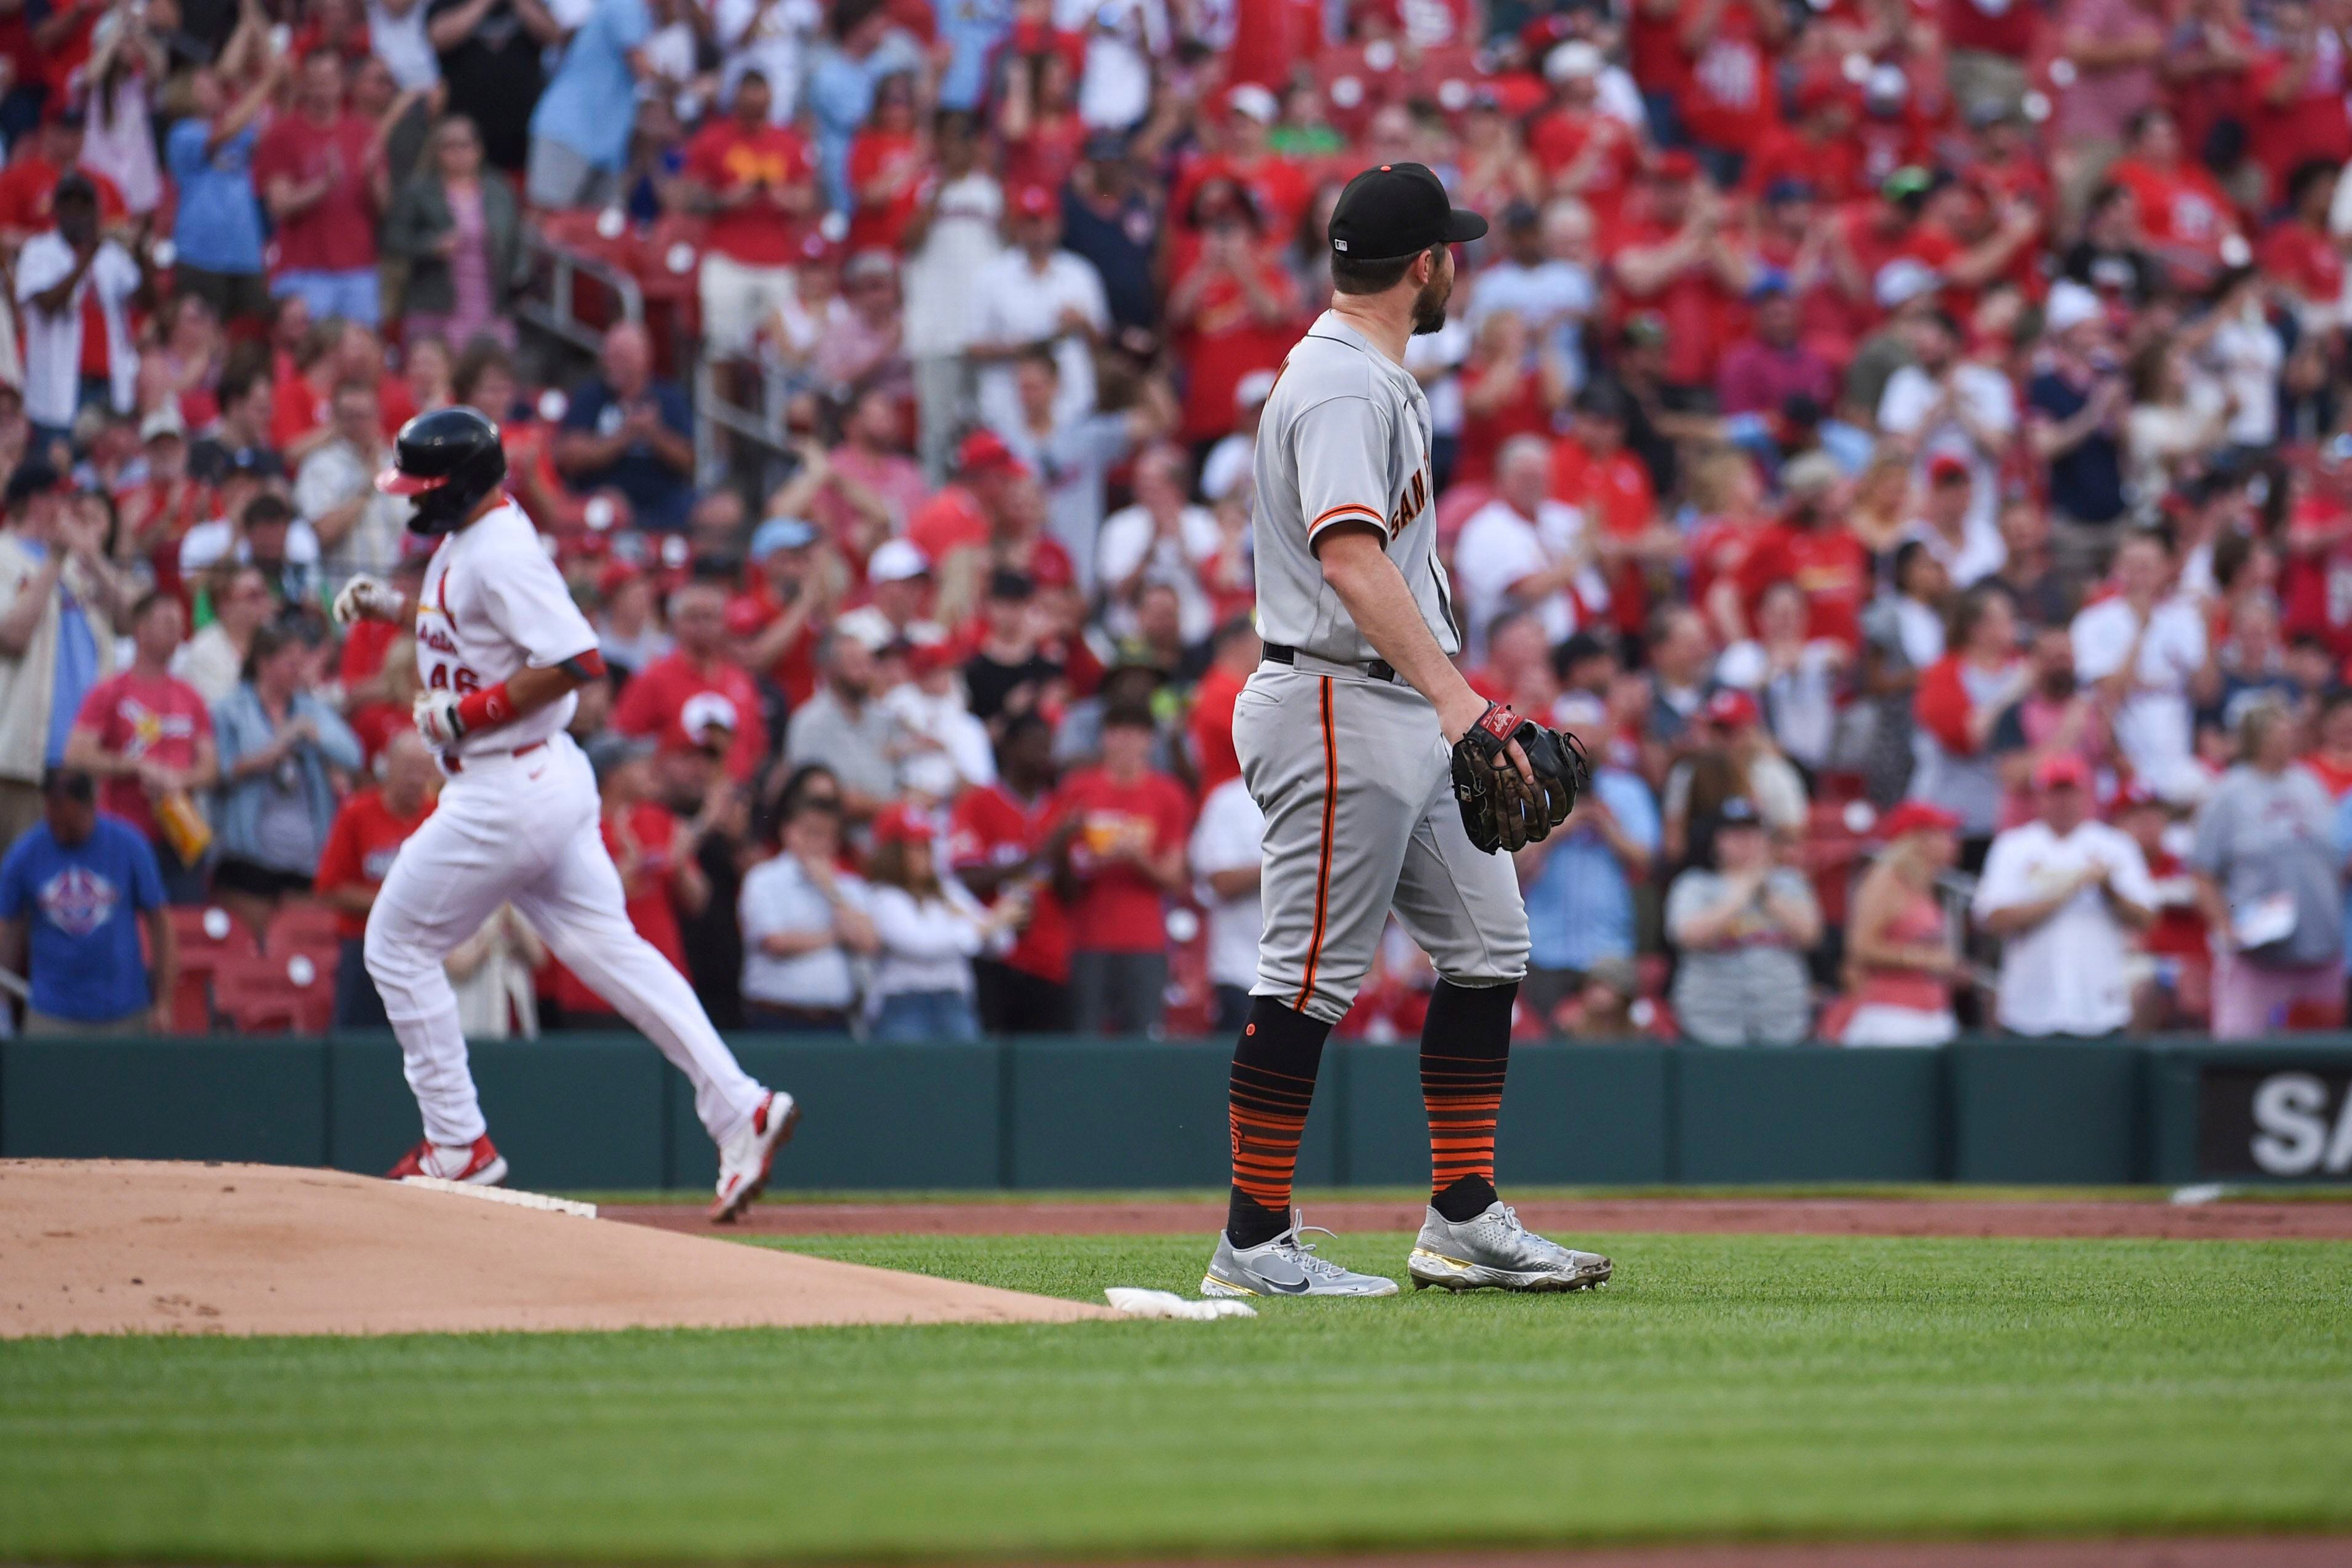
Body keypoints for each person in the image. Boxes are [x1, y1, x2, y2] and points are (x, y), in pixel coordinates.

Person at [1203, 164, 1610, 1300]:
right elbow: (1348, 554)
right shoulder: (1339, 383)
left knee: (1488, 945)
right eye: (1452, 250)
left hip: (1395, 698)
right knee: (1307, 978)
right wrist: (1459, 701)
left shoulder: (1373, 372)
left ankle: (1462, 1215)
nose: (1456, 266)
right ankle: (1253, 1242)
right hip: (1339, 698)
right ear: (1425, 263)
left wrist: (1444, 695)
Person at [334, 407, 800, 1222]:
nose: (410, 500)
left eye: (420, 485)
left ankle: (457, 1143)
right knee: (612, 952)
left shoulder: (501, 548)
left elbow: (576, 660)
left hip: (503, 785)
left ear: (457, 483)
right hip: (540, 780)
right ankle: (742, 1107)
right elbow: (474, 628)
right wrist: (392, 611)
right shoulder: (474, 540)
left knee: (396, 944)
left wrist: (469, 715)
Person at [1973, 754, 2158, 1038]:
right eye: (2055, 793)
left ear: (2086, 794)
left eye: (2070, 792)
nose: (2063, 802)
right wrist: (2070, 888)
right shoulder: (2014, 846)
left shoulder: (2114, 845)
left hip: (2100, 1005)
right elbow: (1993, 918)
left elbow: (2146, 917)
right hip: (2029, 1008)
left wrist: (2107, 888)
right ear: (2040, 797)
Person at [2192, 700, 2345, 1039]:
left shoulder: (2309, 781)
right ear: (2256, 738)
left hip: (2319, 948)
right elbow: (2203, 872)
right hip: (2258, 954)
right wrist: (2225, 926)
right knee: (2239, 1050)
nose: (2288, 739)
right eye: (2279, 732)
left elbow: (2331, 855)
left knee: (2325, 1056)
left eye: (2290, 731)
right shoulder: (2229, 792)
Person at [0, 462, 129, 852]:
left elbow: (130, 620)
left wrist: (94, 558)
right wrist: (54, 559)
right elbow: (13, 636)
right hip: (23, 761)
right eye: (64, 498)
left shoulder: (79, 564)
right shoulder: (4, 554)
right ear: (37, 502)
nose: (73, 508)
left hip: (86, 760)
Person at [209, 623, 365, 937]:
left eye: (302, 662)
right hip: (248, 857)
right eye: (291, 662)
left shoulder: (311, 709)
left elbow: (353, 756)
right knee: (253, 953)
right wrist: (273, 751)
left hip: (306, 857)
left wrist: (313, 735)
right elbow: (220, 772)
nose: (300, 670)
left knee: (296, 948)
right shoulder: (229, 710)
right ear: (264, 663)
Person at [62, 592, 217, 903]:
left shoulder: (191, 696)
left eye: (180, 624)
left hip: (178, 835)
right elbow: (76, 755)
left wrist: (180, 780)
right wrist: (136, 766)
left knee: (183, 921)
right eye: (167, 622)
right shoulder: (109, 691)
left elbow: (210, 766)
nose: (177, 631)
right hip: (121, 832)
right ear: (140, 629)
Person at [0, 767, 174, 1036]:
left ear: (90, 805)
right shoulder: (26, 853)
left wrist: (163, 1002)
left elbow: (161, 924)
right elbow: (9, 927)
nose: (60, 829)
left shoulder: (129, 846)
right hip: (52, 1013)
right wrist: (3, 1001)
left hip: (123, 1011)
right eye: (53, 819)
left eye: (69, 822)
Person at [1054, 702, 1188, 1034]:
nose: (1127, 743)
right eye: (1118, 733)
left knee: (1143, 1035)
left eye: (1136, 734)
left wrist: (1136, 858)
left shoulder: (1167, 794)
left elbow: (1174, 876)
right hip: (1087, 936)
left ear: (1149, 741)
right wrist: (1093, 860)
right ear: (1104, 738)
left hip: (1145, 939)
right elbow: (1061, 866)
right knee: (1084, 1033)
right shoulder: (1079, 789)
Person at [948, 712, 1076, 1033]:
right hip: (994, 958)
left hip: (1049, 960)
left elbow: (1072, 895)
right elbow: (965, 880)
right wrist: (1044, 852)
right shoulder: (978, 804)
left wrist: (1061, 857)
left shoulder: (1059, 808)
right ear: (1009, 748)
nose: (1044, 755)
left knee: (1046, 1070)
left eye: (1048, 747)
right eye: (1034, 746)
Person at [1664, 798, 1823, 1046]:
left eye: (1753, 834)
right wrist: (1741, 893)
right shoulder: (1695, 884)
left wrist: (1767, 894)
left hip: (1782, 1019)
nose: (1746, 842)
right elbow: (1687, 936)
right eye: (1735, 835)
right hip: (1712, 1021)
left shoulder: (1788, 883)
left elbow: (1811, 936)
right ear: (1717, 842)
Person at [862, 803, 1023, 1041]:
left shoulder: (948, 891)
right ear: (893, 853)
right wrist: (987, 924)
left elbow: (1001, 944)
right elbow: (922, 945)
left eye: (927, 846)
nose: (926, 854)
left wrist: (984, 923)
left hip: (954, 1001)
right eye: (915, 847)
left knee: (964, 1075)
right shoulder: (884, 896)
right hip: (906, 1003)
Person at [2071, 526, 2208, 802]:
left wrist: (2210, 626)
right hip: (2121, 768)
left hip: (2177, 763)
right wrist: (2141, 630)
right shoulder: (2093, 622)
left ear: (2166, 569)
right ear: (2118, 569)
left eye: (2148, 566)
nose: (2141, 575)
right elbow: (2108, 695)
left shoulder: (2185, 620)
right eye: (2133, 566)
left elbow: (2206, 693)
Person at [314, 730, 441, 1029]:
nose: (415, 778)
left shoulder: (439, 816)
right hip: (364, 947)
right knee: (358, 1043)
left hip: (422, 950)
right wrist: (394, 902)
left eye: (424, 769)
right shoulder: (357, 813)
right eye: (408, 767)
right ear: (387, 766)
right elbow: (329, 889)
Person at [253, 50, 385, 326]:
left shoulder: (363, 132)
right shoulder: (283, 134)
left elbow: (384, 205)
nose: (322, 88)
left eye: (328, 80)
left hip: (358, 268)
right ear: (304, 84)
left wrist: (373, 178)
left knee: (362, 349)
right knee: (307, 351)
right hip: (303, 270)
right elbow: (279, 204)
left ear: (342, 83)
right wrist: (324, 185)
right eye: (315, 81)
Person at [17, 174, 147, 443]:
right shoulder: (39, 251)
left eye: (84, 206)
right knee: (60, 472)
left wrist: (141, 248)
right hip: (58, 386)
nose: (77, 214)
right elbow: (48, 304)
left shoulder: (111, 255)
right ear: (58, 210)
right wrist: (88, 255)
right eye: (70, 206)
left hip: (108, 381)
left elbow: (146, 300)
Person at [382, 114, 524, 351]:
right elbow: (394, 239)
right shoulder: (419, 191)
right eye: (449, 146)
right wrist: (431, 246)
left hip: (490, 300)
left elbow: (516, 240)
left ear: (478, 149)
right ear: (437, 152)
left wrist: (519, 277)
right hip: (435, 304)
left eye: (465, 145)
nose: (458, 153)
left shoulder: (499, 190)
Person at [737, 788, 877, 1030]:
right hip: (776, 1018)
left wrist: (831, 890)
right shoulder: (763, 880)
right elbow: (775, 942)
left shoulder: (848, 886)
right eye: (810, 833)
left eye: (826, 836)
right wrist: (835, 937)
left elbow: (868, 942)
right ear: (788, 831)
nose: (817, 843)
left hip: (834, 1020)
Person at [1841, 801, 1966, 1047]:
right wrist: (1927, 959)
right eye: (1942, 833)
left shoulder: (1924, 885)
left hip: (1933, 1014)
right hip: (1893, 1016)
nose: (1952, 842)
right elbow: (1860, 947)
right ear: (1917, 839)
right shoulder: (1886, 879)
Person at [554, 322, 696, 533]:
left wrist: (654, 434)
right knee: (609, 508)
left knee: (725, 510)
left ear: (645, 359)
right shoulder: (590, 397)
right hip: (606, 494)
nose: (612, 364)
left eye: (622, 357)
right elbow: (568, 456)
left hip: (666, 498)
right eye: (610, 356)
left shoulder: (669, 398)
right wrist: (624, 436)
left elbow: (689, 462)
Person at [1190, 771, 1267, 1031]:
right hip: (1242, 971)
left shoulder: (1326, 797)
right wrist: (1285, 862)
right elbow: (1221, 881)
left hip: (1315, 975)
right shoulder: (1229, 800)